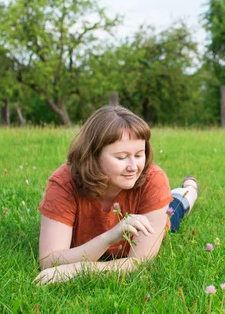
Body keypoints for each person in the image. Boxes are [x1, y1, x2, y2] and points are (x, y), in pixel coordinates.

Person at [34, 105, 198, 284]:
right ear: (93, 155)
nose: (133, 167)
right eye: (121, 157)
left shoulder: (153, 180)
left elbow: (139, 261)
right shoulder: (64, 183)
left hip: (154, 212)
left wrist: (80, 268)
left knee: (176, 207)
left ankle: (190, 187)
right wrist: (111, 236)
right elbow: (49, 260)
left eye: (139, 155)